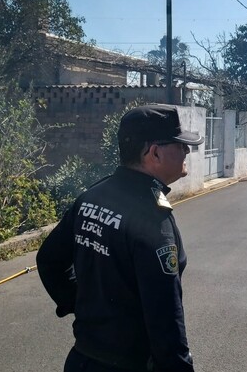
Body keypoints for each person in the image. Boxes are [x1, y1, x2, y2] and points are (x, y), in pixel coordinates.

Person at [37, 104, 203, 372]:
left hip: (82, 359)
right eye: (180, 145)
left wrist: (84, 307)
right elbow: (165, 320)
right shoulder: (152, 220)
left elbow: (48, 260)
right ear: (155, 153)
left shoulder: (92, 196)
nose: (186, 151)